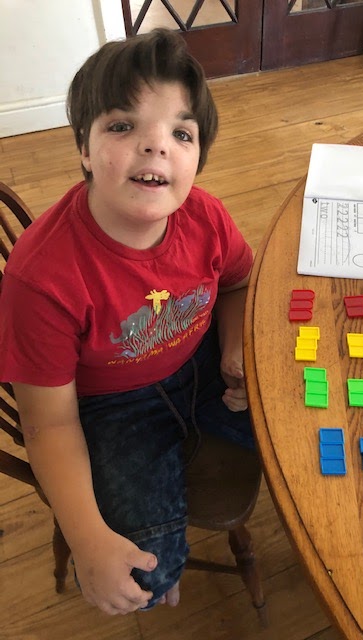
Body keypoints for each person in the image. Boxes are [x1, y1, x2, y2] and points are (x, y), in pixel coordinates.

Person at [0, 28, 255, 616]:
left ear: (196, 160)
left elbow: (239, 282)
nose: (156, 145)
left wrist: (233, 346)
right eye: (122, 126)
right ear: (84, 150)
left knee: (312, 435)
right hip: (110, 408)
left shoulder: (207, 216)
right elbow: (49, 425)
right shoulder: (41, 278)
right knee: (145, 579)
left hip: (201, 364)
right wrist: (88, 540)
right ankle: (164, 546)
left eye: (181, 134)